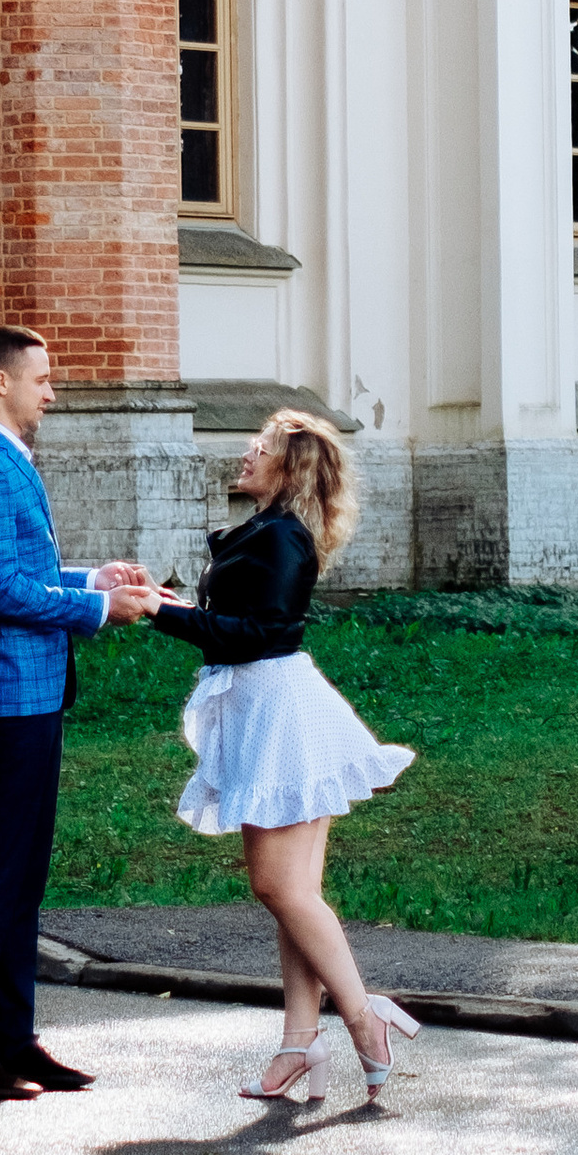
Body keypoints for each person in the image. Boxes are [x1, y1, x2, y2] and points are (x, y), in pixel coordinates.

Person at [144, 407, 419, 1108]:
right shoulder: (269, 532)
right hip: (269, 708)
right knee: (295, 895)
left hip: (278, 713)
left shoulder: (283, 540)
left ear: (287, 467)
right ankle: (300, 1042)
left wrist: (157, 612)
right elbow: (242, 622)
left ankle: (363, 1018)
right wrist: (172, 602)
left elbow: (255, 634)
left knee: (278, 886)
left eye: (258, 448)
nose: (245, 455)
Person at [0, 323, 155, 1103]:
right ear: (1, 383)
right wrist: (96, 607)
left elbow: (20, 570)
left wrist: (91, 576)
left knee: (21, 877)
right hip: (6, 694)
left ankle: (10, 1038)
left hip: (31, 690)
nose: (51, 393)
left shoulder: (2, 459)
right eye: (42, 380)